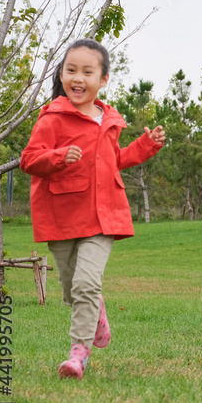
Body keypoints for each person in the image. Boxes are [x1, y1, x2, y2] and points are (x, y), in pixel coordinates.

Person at [20, 39, 166, 380]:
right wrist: (58, 157)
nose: (78, 78)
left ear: (103, 79)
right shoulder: (52, 118)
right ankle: (96, 312)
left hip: (103, 215)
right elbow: (29, 159)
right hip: (61, 216)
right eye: (71, 70)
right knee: (73, 289)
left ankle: (78, 354)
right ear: (61, 74)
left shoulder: (108, 119)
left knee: (86, 284)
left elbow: (112, 161)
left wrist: (144, 146)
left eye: (88, 71)